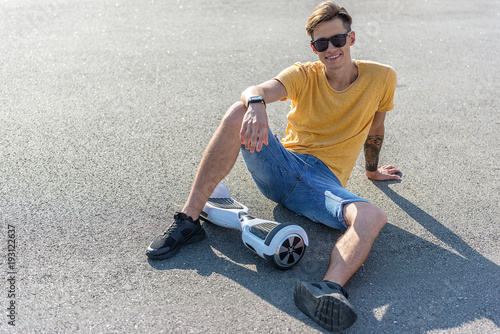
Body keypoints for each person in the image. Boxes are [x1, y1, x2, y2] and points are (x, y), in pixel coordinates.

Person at [146, 1, 401, 331]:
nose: (330, 49)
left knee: (373, 215)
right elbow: (256, 90)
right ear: (314, 47)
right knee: (239, 110)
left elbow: (376, 128)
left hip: (321, 186)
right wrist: (255, 104)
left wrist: (371, 171)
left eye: (337, 40)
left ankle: (327, 290)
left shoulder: (382, 77)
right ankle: (188, 220)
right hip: (281, 165)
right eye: (321, 44)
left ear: (351, 38)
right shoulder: (303, 74)